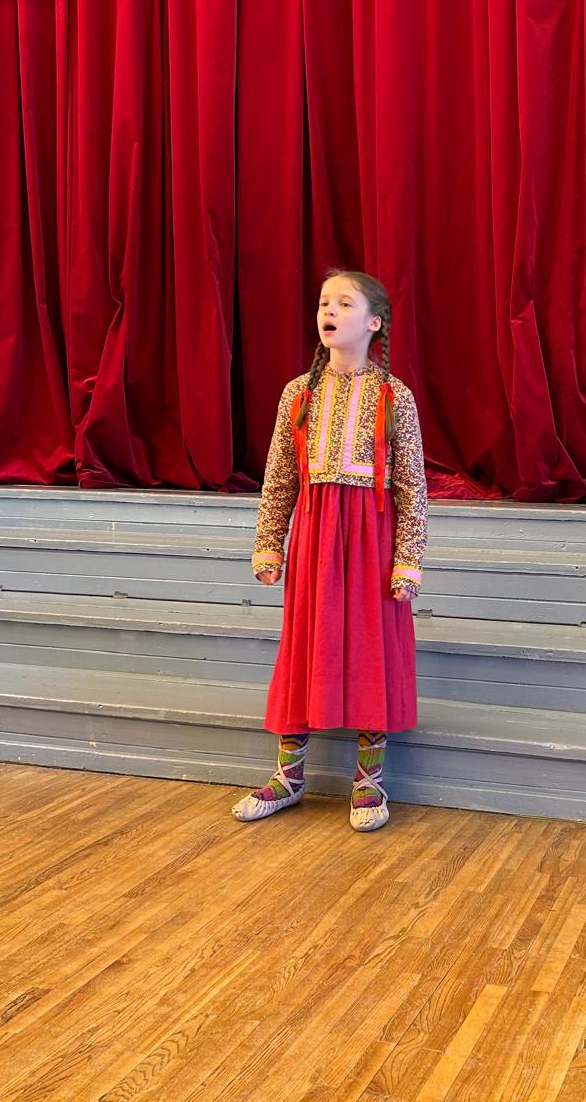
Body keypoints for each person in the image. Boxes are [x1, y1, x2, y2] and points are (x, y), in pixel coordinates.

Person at [233, 268, 428, 832]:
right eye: (324, 302)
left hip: (371, 539)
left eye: (344, 303)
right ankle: (289, 777)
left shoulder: (395, 397)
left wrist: (408, 557)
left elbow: (412, 484)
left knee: (372, 649)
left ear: (374, 322)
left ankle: (369, 781)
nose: (329, 311)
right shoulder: (299, 393)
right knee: (304, 646)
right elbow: (279, 476)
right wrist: (269, 544)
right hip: (316, 536)